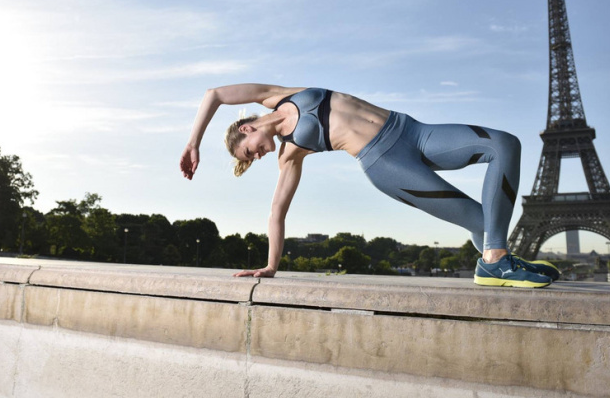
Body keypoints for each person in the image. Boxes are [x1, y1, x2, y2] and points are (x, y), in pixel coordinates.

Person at [180, 84, 559, 287]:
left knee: (504, 144)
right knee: (480, 220)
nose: (257, 157)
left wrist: (193, 142)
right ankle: (495, 261)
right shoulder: (290, 152)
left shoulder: (277, 95)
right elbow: (277, 212)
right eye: (251, 159)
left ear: (246, 128)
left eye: (248, 152)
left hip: (413, 131)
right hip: (387, 164)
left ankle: (496, 257)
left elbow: (213, 94)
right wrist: (269, 266)